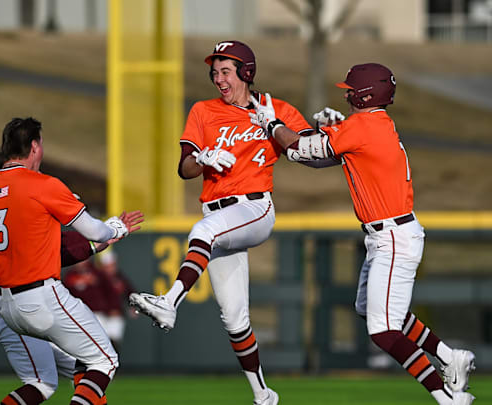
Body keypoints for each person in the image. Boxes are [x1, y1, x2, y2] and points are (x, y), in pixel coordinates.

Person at [249, 63, 476, 405]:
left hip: (393, 237)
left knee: (383, 330)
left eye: (350, 89)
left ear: (365, 93)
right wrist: (332, 127)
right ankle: (447, 355)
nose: (345, 93)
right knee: (372, 311)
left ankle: (447, 398)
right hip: (389, 234)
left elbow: (299, 149)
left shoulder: (364, 126)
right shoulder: (373, 124)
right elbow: (316, 155)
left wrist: (273, 123)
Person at [128, 40, 313, 405]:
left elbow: (308, 149)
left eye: (226, 71)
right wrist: (204, 158)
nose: (218, 78)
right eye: (214, 72)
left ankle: (169, 302)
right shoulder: (203, 111)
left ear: (247, 72)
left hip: (254, 208)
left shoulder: (275, 109)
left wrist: (311, 128)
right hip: (218, 214)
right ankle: (264, 395)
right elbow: (184, 169)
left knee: (202, 232)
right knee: (234, 319)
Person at [0, 117, 142, 405]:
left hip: (7, 305)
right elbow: (93, 230)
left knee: (64, 372)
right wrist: (117, 227)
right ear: (34, 147)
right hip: (41, 296)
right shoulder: (43, 184)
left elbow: (40, 244)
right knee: (104, 361)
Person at [63, 249, 135, 351]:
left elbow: (111, 292)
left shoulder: (98, 274)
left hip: (102, 314)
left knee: (110, 341)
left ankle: (109, 364)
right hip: (83, 314)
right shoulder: (70, 276)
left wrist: (114, 307)